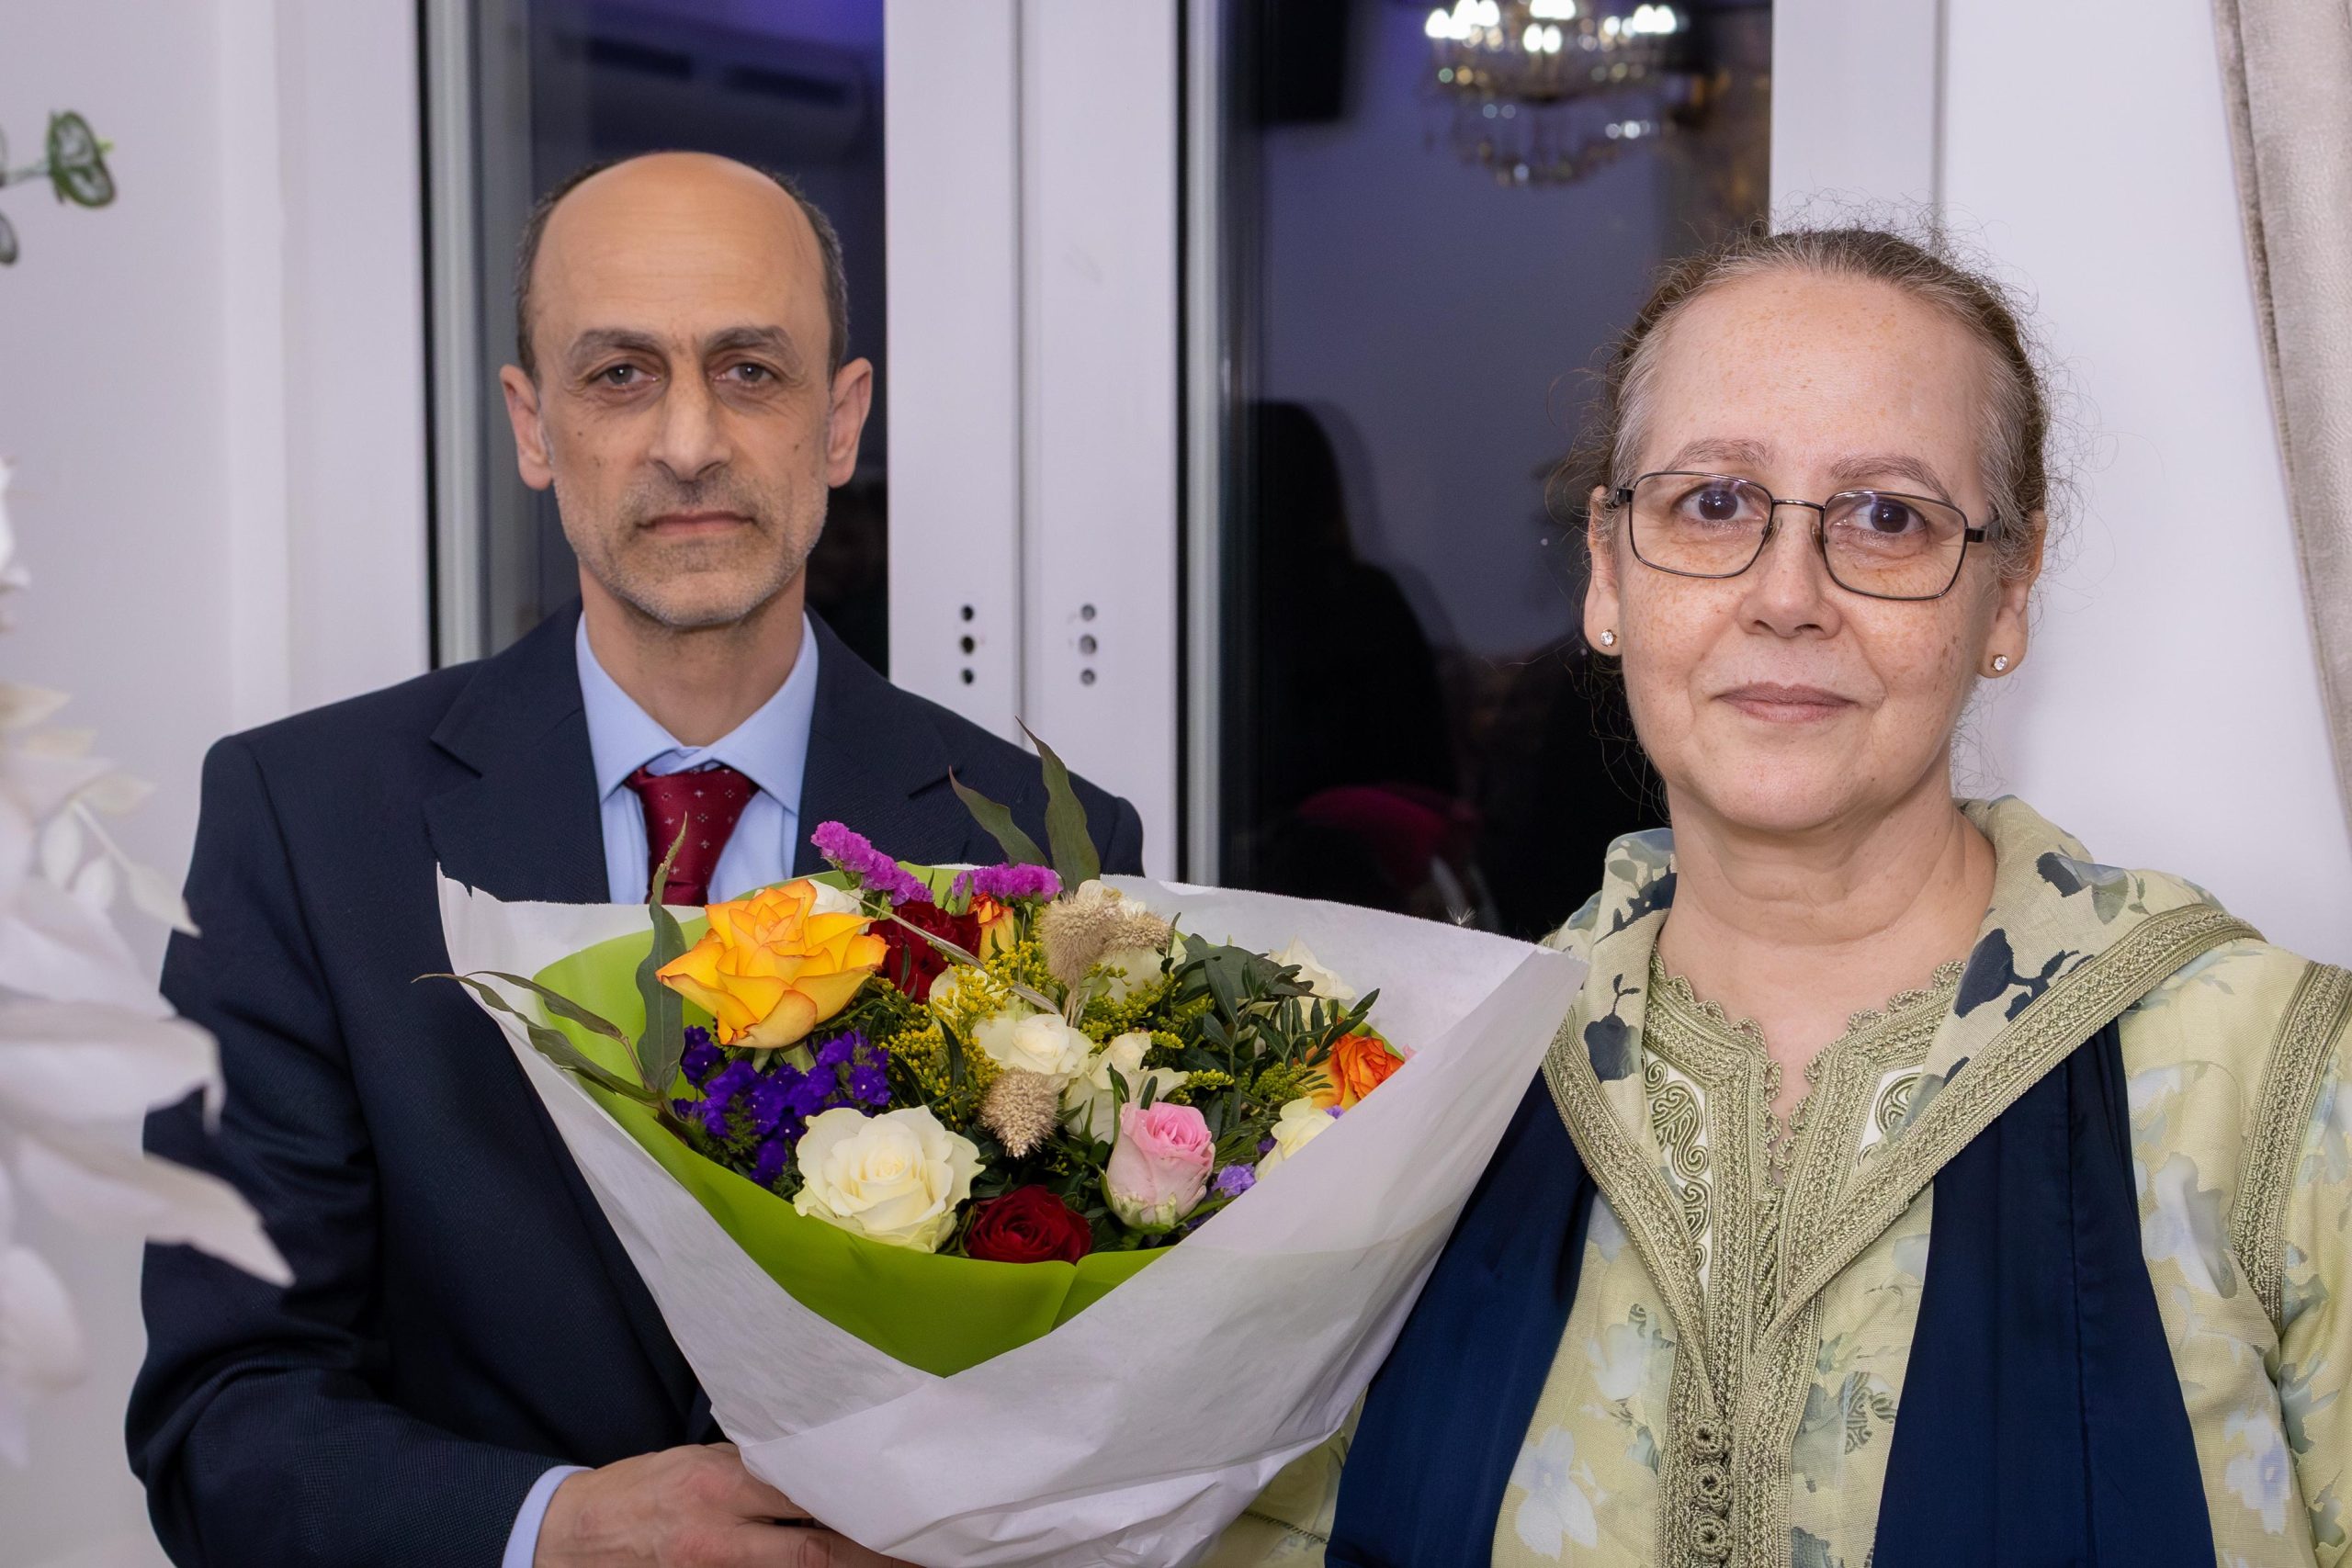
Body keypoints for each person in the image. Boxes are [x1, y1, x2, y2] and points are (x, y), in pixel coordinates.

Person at [1214, 226, 2352, 1566]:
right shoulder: (1418, 1093)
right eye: (1713, 503)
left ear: (2007, 593)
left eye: (1888, 516)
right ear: (1608, 570)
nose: (1787, 595)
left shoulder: (2277, 1089)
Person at [126, 152, 1144, 1568]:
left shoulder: (1041, 846)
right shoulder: (307, 824)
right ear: (531, 425)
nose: (688, 441)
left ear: (840, 420)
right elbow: (223, 1417)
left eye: (749, 371)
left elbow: (1089, 1388)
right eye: (619, 375)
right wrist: (553, 1528)